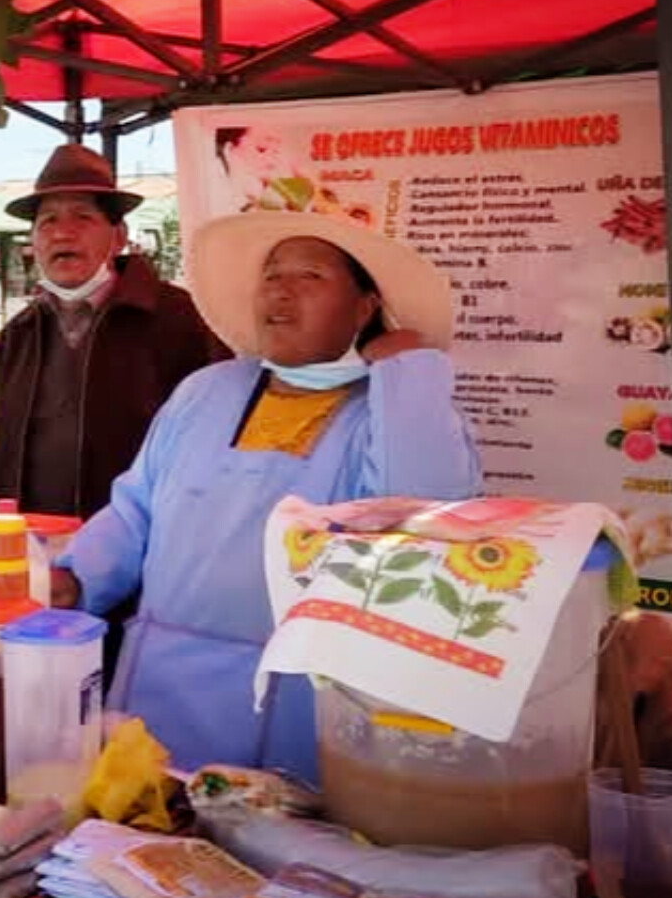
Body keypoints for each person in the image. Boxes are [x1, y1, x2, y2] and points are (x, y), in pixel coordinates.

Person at [49, 210, 482, 785]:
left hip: (295, 706)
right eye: (273, 272)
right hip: (158, 689)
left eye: (311, 276)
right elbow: (136, 509)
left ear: (364, 306)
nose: (281, 289)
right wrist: (76, 577)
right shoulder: (207, 390)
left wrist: (409, 374)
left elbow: (425, 516)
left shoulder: (387, 410)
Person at [0, 144, 225, 538]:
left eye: (83, 217)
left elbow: (214, 440)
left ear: (118, 237)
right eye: (48, 221)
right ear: (33, 242)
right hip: (29, 557)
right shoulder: (18, 336)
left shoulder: (178, 318)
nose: (62, 232)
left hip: (142, 557)